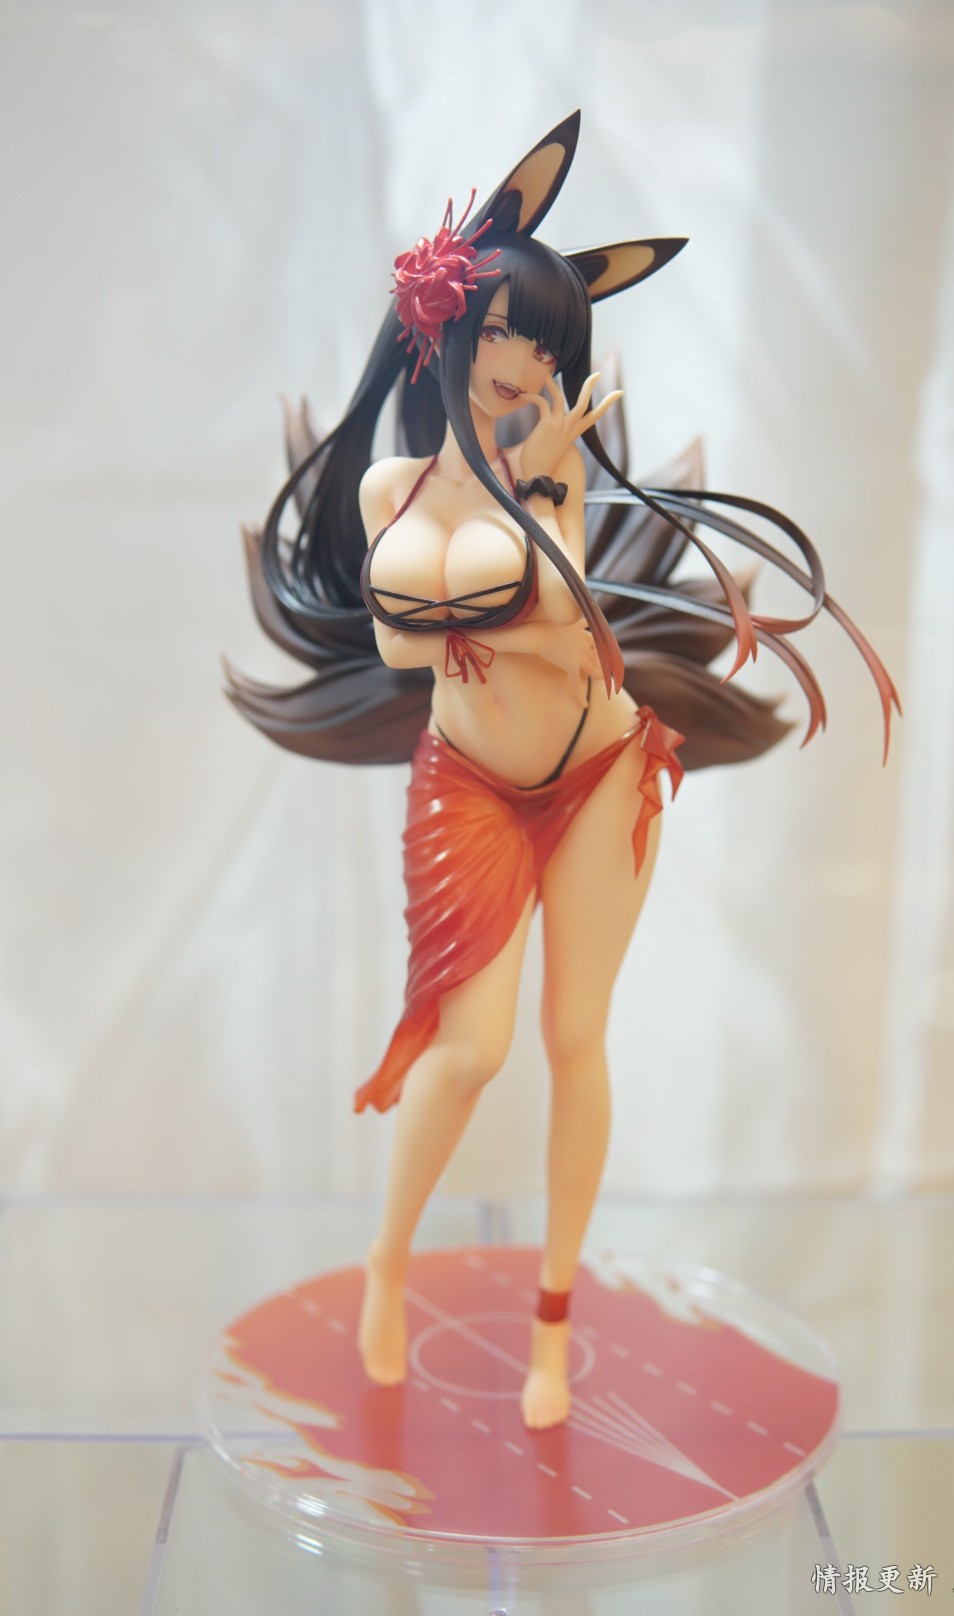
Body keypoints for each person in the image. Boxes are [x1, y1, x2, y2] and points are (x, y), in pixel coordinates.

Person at [227, 114, 898, 1428]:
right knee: (470, 1052)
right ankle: (386, 1264)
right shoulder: (392, 489)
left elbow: (581, 633)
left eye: (546, 355)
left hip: (599, 769)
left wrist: (523, 556)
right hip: (468, 786)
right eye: (506, 345)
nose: (526, 374)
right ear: (446, 337)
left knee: (577, 1036)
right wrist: (492, 616)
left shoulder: (551, 473)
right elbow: (394, 641)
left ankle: (553, 1322)